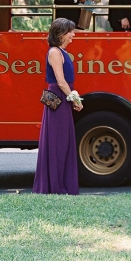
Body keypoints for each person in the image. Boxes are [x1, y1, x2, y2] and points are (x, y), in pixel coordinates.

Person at [33, 18, 82, 195]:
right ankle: (55, 186)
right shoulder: (54, 52)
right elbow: (60, 81)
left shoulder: (61, 51)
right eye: (70, 32)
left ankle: (62, 184)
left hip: (62, 96)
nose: (73, 35)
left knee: (64, 140)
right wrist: (74, 98)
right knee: (57, 142)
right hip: (58, 98)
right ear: (61, 34)